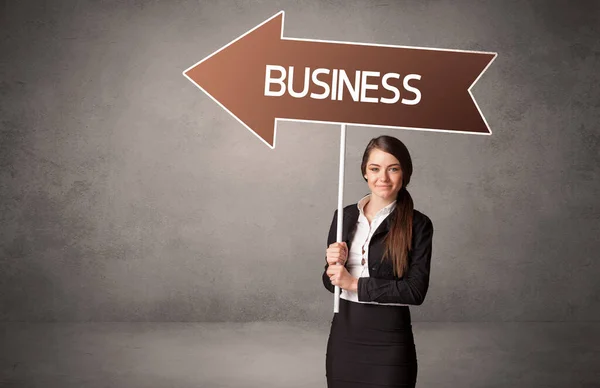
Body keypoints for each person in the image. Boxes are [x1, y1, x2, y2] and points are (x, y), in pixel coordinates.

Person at [322, 135, 434, 388]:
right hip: (345, 336)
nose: (383, 178)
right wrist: (332, 268)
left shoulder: (419, 224)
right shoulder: (344, 217)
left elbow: (415, 291)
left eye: (393, 169)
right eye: (375, 169)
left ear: (405, 173)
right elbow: (331, 284)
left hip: (390, 339)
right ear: (364, 172)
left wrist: (354, 284)